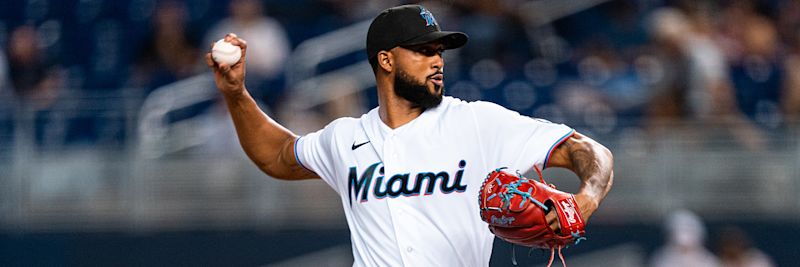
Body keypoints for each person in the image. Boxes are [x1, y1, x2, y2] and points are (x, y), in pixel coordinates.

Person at [206, 5, 613, 266]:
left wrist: (586, 199)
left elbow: (588, 151)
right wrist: (236, 94)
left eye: (439, 51)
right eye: (422, 51)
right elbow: (275, 155)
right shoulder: (345, 138)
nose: (436, 60)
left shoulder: (478, 123)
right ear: (385, 59)